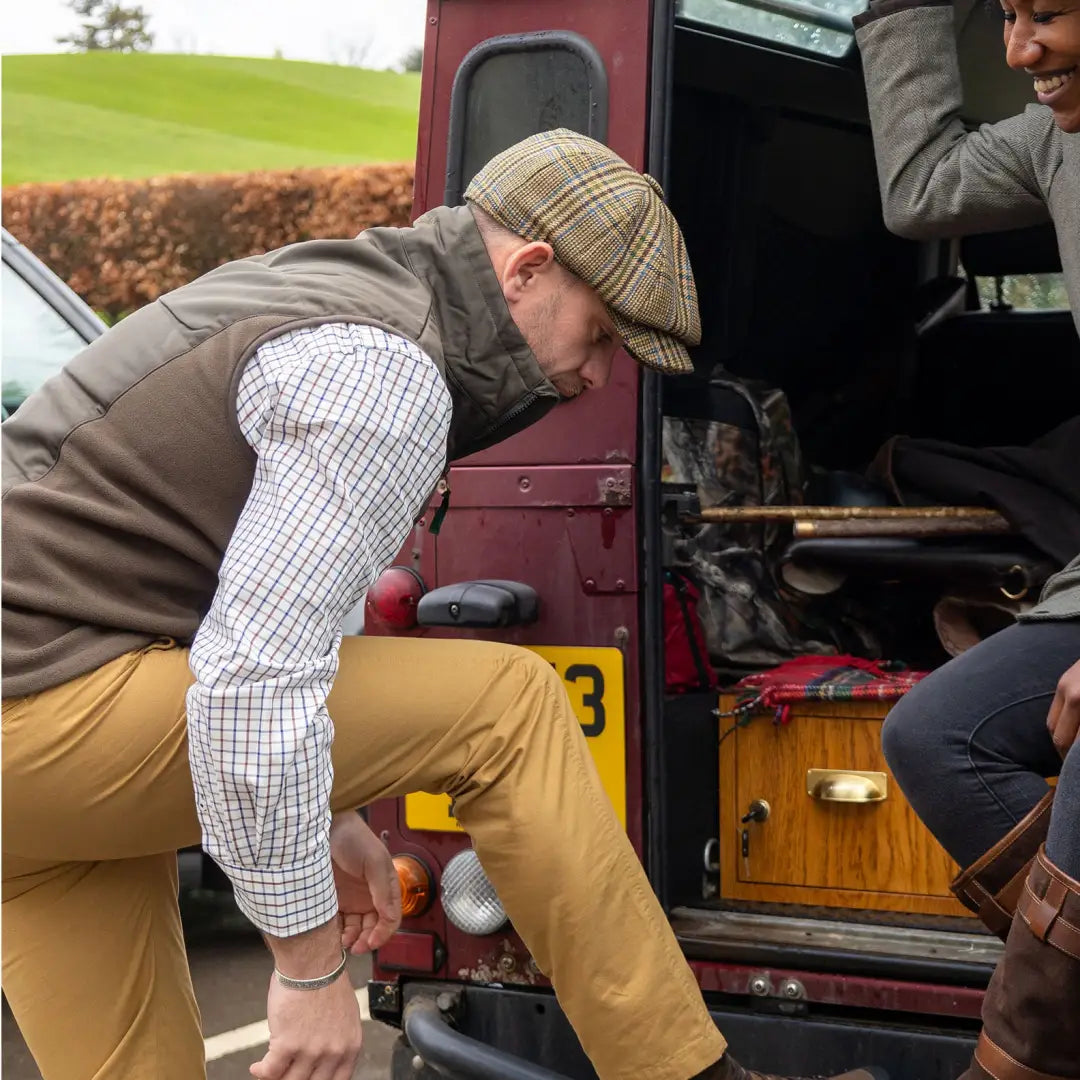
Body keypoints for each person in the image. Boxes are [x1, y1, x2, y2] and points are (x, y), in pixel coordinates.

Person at [1, 130, 880, 1080]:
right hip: (48, 701)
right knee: (508, 707)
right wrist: (307, 972)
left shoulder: (336, 291)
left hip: (41, 759)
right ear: (529, 270)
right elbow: (251, 681)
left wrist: (330, 804)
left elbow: (272, 606)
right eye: (600, 337)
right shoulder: (385, 370)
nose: (598, 378)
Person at [854, 1, 1080, 1077]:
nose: (1020, 50)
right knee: (931, 733)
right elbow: (922, 191)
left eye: (1052, 14)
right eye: (1007, 14)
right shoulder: (1052, 140)